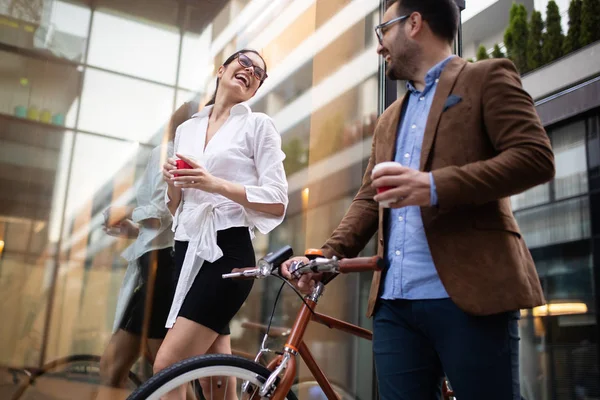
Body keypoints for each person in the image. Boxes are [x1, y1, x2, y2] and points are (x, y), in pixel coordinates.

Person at [282, 0, 555, 399]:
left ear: (413, 23)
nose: (379, 46)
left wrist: (433, 186)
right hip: (394, 305)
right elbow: (369, 200)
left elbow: (535, 158)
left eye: (383, 32)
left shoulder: (487, 77)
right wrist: (327, 257)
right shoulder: (388, 118)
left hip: (471, 295)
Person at [153, 49, 288, 400]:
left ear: (256, 89)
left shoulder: (259, 125)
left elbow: (277, 200)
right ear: (222, 69)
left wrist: (214, 184)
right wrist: (173, 180)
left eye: (259, 72)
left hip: (227, 252)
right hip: (187, 250)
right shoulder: (188, 129)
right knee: (216, 373)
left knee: (168, 367)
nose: (251, 71)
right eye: (244, 62)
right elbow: (175, 207)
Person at [98, 102, 195, 393]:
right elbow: (164, 219)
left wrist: (124, 209)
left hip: (161, 272)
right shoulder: (178, 152)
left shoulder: (171, 152)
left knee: (161, 375)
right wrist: (133, 229)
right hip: (157, 267)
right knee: (121, 369)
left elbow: (165, 211)